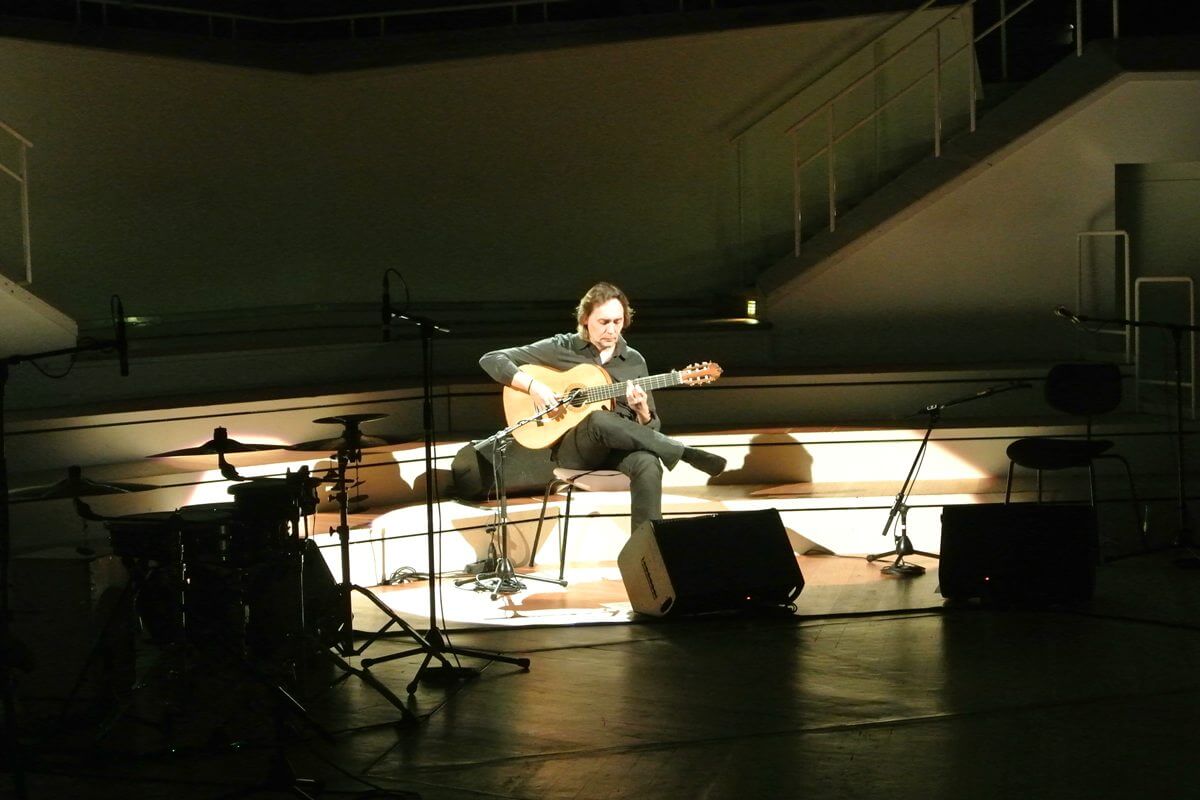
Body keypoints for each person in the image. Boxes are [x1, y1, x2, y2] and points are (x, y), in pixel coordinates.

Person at [479, 281, 725, 534]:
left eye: (617, 322)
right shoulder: (562, 347)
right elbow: (492, 359)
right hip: (576, 452)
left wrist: (642, 411)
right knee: (598, 418)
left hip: (618, 451)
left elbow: (651, 430)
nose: (612, 329)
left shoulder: (633, 360)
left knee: (649, 462)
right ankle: (683, 452)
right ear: (585, 319)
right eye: (604, 322)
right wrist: (534, 387)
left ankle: (648, 545)